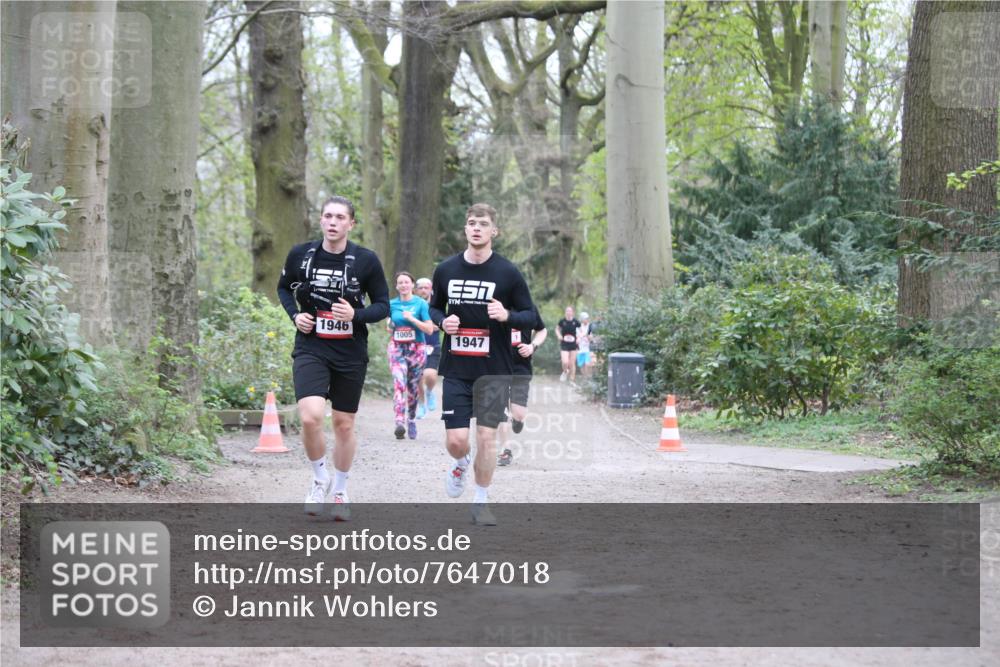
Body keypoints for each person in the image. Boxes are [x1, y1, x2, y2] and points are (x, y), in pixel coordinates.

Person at [277, 196, 389, 521]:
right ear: (321, 220)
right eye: (328, 216)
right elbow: (283, 288)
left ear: (351, 224)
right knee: (311, 417)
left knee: (343, 424)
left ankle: (340, 489)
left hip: (350, 351)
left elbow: (383, 306)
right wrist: (295, 316)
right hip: (312, 346)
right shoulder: (301, 255)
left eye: (340, 217)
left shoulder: (365, 260)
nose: (332, 222)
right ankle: (318, 478)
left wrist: (357, 314)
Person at [429, 203, 536, 526]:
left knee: (487, 439)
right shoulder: (446, 270)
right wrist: (441, 321)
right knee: (457, 441)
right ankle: (461, 463)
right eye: (472, 223)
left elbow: (531, 316)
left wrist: (507, 316)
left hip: (493, 371)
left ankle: (480, 501)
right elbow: (433, 307)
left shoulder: (508, 273)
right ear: (466, 230)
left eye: (483, 224)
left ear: (494, 232)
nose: (477, 228)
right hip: (458, 369)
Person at [387, 271, 435, 439]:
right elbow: (389, 326)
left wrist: (412, 320)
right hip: (397, 348)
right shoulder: (391, 304)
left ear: (412, 285)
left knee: (413, 388)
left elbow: (429, 329)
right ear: (396, 286)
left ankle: (412, 419)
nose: (403, 285)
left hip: (417, 348)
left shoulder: (421, 304)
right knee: (399, 383)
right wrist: (391, 325)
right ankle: (399, 422)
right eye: (400, 283)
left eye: (406, 282)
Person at [497, 305, 547, 467]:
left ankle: (517, 420)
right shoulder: (494, 306)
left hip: (521, 367)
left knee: (518, 414)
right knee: (501, 411)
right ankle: (505, 450)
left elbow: (542, 330)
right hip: (498, 367)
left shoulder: (529, 308)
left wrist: (532, 346)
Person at [414, 277, 441, 419]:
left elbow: (439, 324)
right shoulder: (412, 304)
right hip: (415, 346)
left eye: (426, 287)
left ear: (431, 289)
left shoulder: (436, 306)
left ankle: (430, 391)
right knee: (418, 377)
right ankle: (421, 404)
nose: (424, 290)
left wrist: (423, 325)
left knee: (430, 374)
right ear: (416, 290)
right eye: (421, 288)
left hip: (432, 345)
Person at [557, 306, 581, 383]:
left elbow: (581, 331)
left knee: (572, 363)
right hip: (564, 344)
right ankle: (565, 371)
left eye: (570, 311)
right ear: (565, 312)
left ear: (573, 312)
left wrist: (579, 338)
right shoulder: (562, 321)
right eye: (567, 311)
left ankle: (571, 380)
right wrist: (559, 335)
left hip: (573, 344)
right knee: (565, 362)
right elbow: (557, 329)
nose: (568, 312)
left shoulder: (576, 322)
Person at [576, 312, 593, 378]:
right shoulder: (578, 327)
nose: (587, 320)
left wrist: (588, 337)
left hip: (588, 348)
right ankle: (585, 378)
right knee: (581, 365)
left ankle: (589, 377)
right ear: (582, 319)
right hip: (580, 348)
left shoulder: (590, 326)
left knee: (587, 364)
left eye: (587, 318)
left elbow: (591, 336)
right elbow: (577, 336)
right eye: (585, 318)